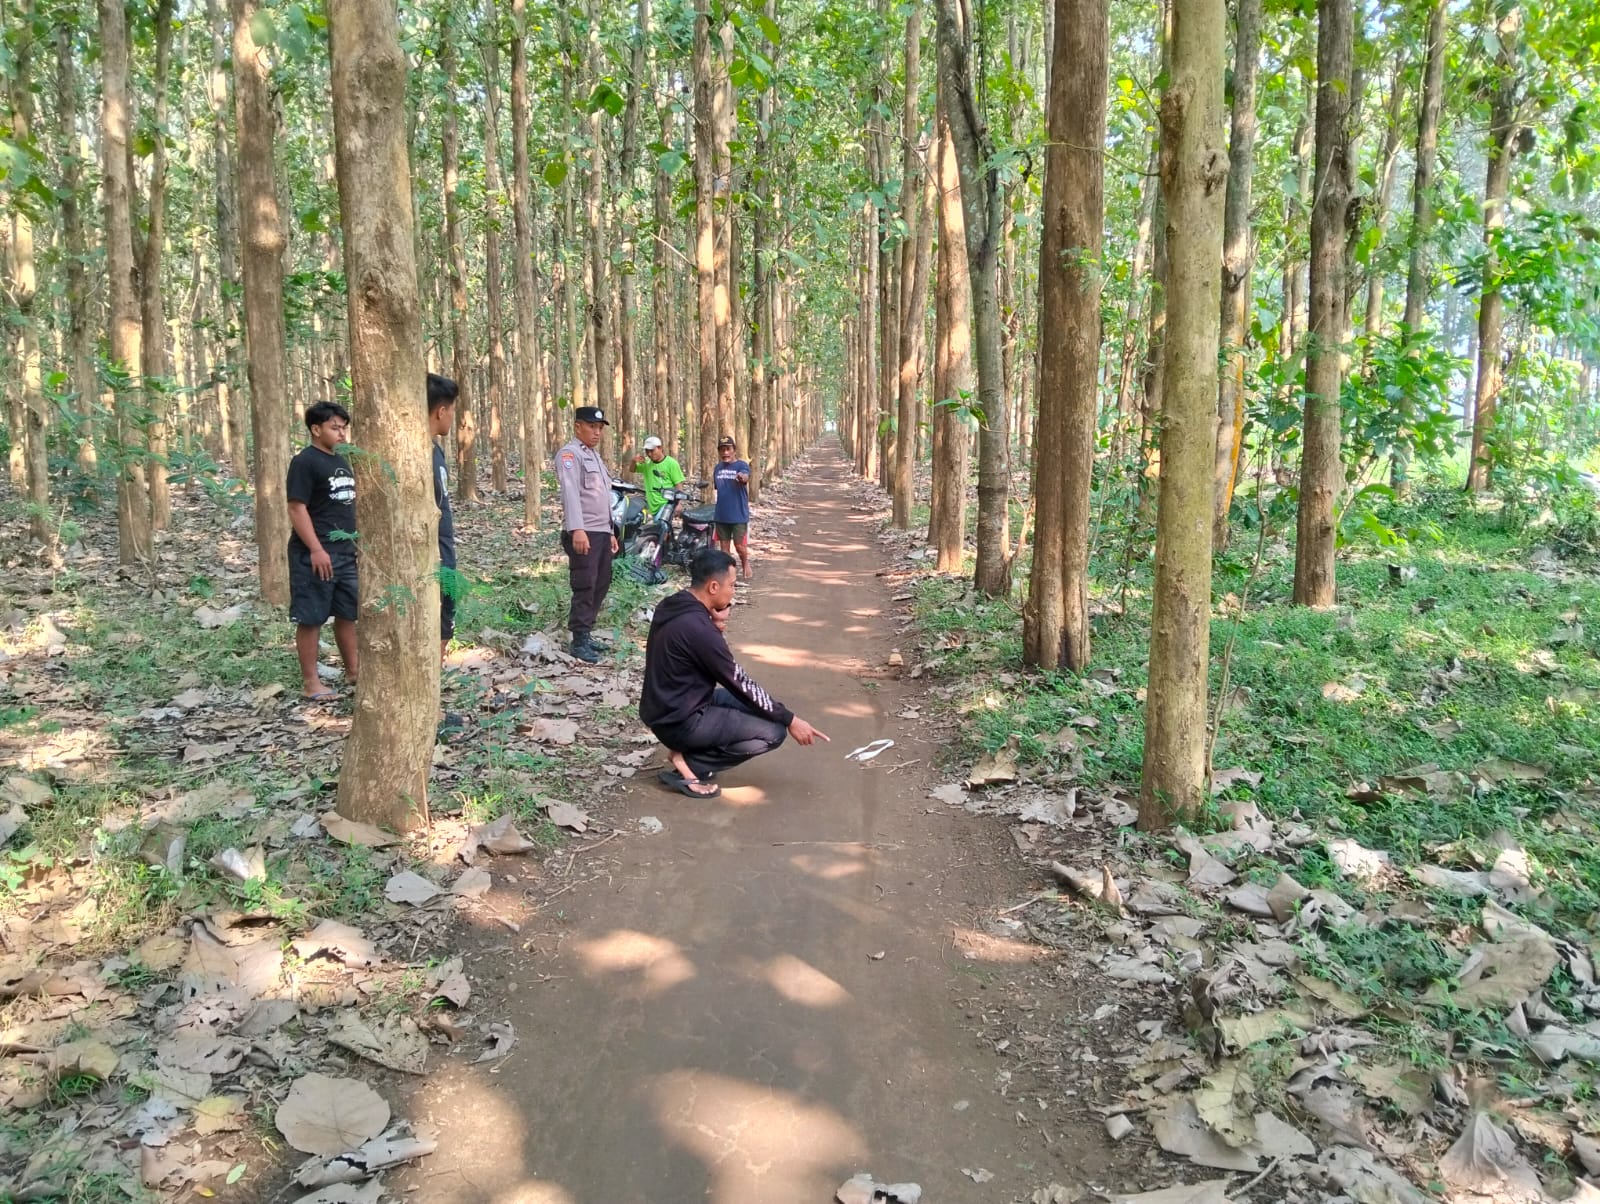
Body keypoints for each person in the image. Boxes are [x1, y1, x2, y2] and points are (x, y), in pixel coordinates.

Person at [640, 547, 829, 797]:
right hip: (679, 720)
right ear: (713, 587)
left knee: (766, 710)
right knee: (774, 732)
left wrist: (715, 624)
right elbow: (738, 682)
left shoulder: (673, 604)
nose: (733, 592)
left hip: (666, 707)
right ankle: (690, 765)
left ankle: (690, 754)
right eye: (731, 585)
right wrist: (792, 720)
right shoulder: (699, 629)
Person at [287, 401, 358, 701]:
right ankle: (311, 682)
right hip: (314, 554)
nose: (341, 433)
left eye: (344, 428)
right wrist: (316, 549)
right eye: (334, 428)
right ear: (316, 430)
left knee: (347, 613)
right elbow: (296, 507)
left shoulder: (341, 460)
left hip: (346, 552)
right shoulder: (305, 462)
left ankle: (354, 671)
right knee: (312, 617)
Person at [554, 405, 620, 664]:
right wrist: (577, 529)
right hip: (584, 531)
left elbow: (602, 497)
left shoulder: (594, 457)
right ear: (577, 426)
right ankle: (579, 639)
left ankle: (587, 632)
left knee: (601, 582)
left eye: (600, 428)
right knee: (585, 584)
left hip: (600, 531)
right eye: (592, 426)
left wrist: (610, 530)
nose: (597, 432)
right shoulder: (570, 455)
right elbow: (570, 493)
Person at [428, 374, 459, 661]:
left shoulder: (435, 450)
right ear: (441, 411)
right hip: (431, 550)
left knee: (447, 605)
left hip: (443, 545)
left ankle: (436, 670)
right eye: (452, 410)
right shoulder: (418, 455)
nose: (452, 417)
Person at [712, 436, 752, 581]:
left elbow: (745, 476)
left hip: (738, 514)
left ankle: (745, 562)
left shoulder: (741, 465)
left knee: (739, 546)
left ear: (734, 450)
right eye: (722, 449)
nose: (725, 452)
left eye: (728, 449)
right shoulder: (717, 468)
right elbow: (718, 488)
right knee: (724, 549)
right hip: (721, 514)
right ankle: (728, 574)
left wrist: (742, 477)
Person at [631, 435, 686, 515]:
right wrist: (633, 461)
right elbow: (632, 470)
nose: (649, 454)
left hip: (667, 505)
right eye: (647, 451)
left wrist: (679, 503)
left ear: (660, 448)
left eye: (652, 451)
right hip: (652, 506)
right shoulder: (646, 463)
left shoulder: (671, 463)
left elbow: (678, 484)